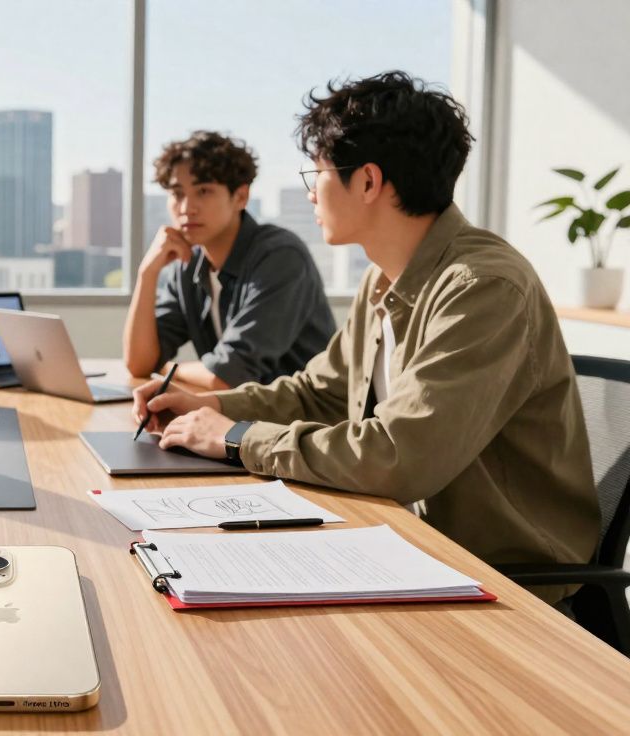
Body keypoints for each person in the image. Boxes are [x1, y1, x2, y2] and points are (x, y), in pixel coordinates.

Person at [132, 72, 598, 606]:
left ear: (369, 182)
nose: (311, 192)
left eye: (319, 173)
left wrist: (236, 437)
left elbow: (400, 457)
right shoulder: (383, 278)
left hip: (507, 583)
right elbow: (320, 393)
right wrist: (208, 405)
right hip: (406, 544)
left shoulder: (483, 288)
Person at [123, 131, 334, 390]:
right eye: (177, 193)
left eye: (203, 191)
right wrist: (147, 273)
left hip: (302, 423)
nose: (187, 208)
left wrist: (168, 369)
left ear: (241, 197)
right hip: (240, 417)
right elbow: (139, 363)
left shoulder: (280, 257)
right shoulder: (189, 264)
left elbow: (227, 376)